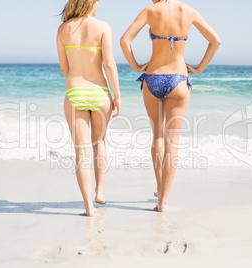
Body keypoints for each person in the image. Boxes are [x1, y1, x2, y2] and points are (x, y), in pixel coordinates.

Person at [120, 0, 220, 212]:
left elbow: (124, 41)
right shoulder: (188, 11)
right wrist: (199, 69)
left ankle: (158, 187)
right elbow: (215, 41)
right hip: (179, 79)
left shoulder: (150, 11)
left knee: (157, 136)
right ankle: (163, 200)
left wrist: (136, 65)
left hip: (153, 77)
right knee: (172, 142)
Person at [57, 0, 121, 216]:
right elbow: (110, 64)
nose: (100, 4)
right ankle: (100, 191)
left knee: (80, 152)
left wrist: (77, 82)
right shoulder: (103, 26)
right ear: (90, 2)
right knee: (99, 142)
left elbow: (64, 67)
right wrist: (117, 95)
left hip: (75, 91)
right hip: (100, 92)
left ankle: (88, 208)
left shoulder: (63, 29)